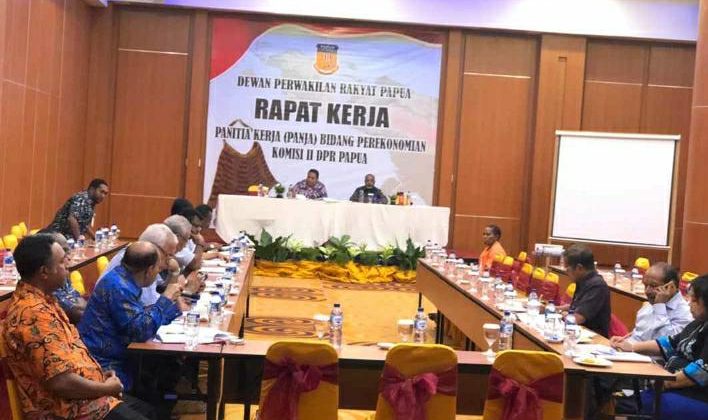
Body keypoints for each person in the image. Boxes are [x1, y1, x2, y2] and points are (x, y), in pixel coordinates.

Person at [1, 234, 155, 419]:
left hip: (85, 399)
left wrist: (98, 376)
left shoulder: (44, 300)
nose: (68, 265)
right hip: (68, 410)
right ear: (44, 272)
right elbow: (61, 382)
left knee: (151, 411)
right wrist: (105, 388)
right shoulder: (32, 315)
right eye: (61, 262)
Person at [79, 242, 185, 392]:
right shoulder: (119, 287)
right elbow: (140, 331)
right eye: (158, 268)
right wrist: (166, 299)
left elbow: (141, 316)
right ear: (149, 270)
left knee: (167, 364)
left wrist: (174, 309)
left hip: (119, 354)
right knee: (164, 367)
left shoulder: (122, 277)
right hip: (104, 363)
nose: (158, 273)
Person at [611, 275, 708, 417]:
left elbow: (700, 372)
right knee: (621, 400)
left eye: (694, 300)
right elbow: (669, 343)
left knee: (630, 404)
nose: (689, 304)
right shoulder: (698, 323)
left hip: (697, 396)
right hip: (672, 386)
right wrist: (632, 347)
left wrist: (665, 383)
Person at [610, 262, 693, 346]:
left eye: (653, 286)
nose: (647, 291)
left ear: (670, 287)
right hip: (630, 350)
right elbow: (641, 333)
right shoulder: (650, 304)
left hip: (644, 353)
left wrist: (660, 307)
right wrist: (624, 339)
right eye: (645, 285)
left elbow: (665, 345)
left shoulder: (686, 314)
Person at [557, 244, 611, 337]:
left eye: (567, 269)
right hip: (577, 333)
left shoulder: (597, 286)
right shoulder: (582, 280)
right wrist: (555, 308)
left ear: (579, 268)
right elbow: (577, 306)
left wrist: (558, 313)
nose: (566, 272)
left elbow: (577, 318)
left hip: (593, 339)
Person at [47, 231, 87, 324]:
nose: (69, 257)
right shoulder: (49, 284)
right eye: (64, 251)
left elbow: (77, 299)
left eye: (68, 250)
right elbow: (77, 313)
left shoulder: (62, 274)